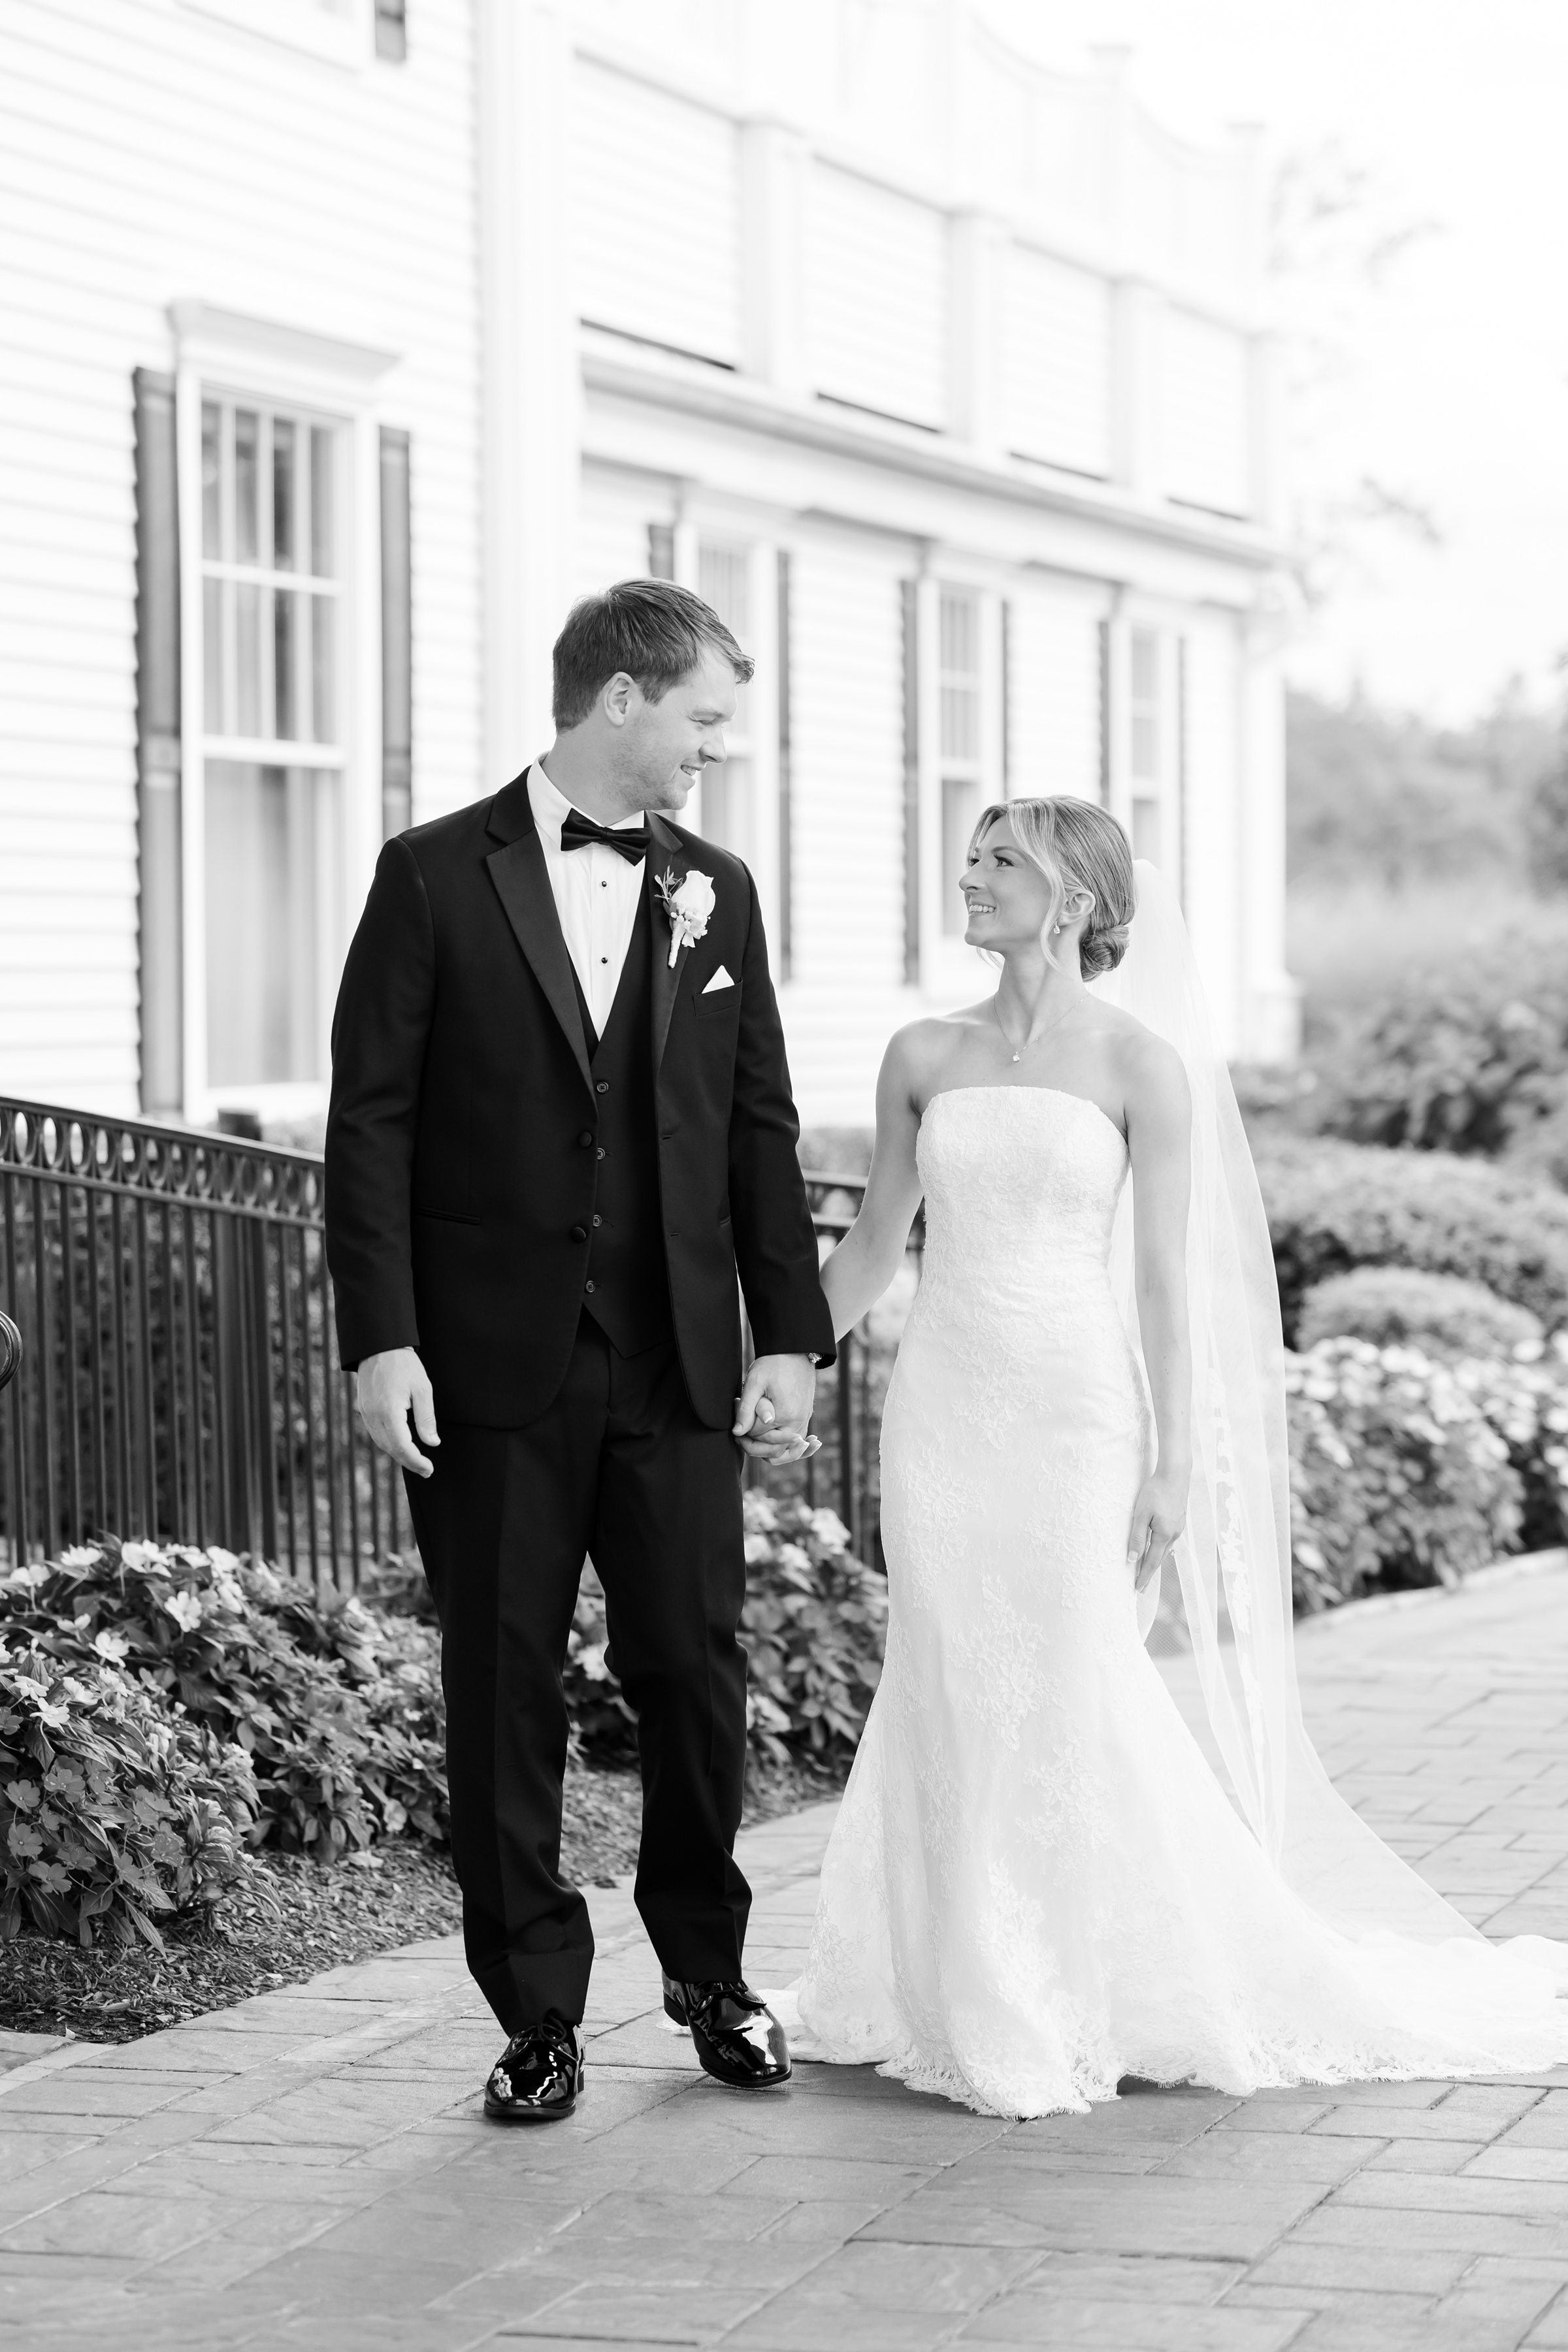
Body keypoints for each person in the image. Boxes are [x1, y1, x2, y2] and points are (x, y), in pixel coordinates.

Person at [774, 795, 1568, 2119]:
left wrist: (1172, 1460)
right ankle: (959, 1984)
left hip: (1078, 1410)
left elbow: (1162, 1287)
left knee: (1069, 1677)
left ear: (1074, 900)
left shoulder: (1143, 1066)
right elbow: (872, 1251)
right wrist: (781, 1350)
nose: (967, 878)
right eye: (971, 856)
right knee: (949, 1672)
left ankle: (1072, 1984)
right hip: (945, 1411)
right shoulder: (921, 1052)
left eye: (999, 862)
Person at [325, 580, 834, 2121]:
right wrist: (382, 1343)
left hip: (675, 1358)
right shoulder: (429, 876)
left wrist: (790, 1338)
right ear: (622, 701)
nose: (711, 751)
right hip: (484, 1366)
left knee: (693, 1671)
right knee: (502, 1690)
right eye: (701, 718)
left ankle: (707, 1975)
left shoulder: (718, 890)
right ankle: (538, 2014)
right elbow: (373, 1131)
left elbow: (759, 1125)